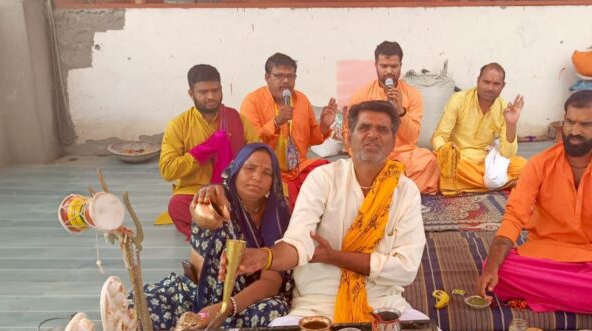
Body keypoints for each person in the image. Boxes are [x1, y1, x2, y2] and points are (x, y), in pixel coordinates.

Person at [211, 100, 453, 331]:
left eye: (382, 129)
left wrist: (335, 257)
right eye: (364, 127)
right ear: (349, 137)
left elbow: (405, 269)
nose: (372, 134)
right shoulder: (323, 179)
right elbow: (299, 242)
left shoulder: (405, 191)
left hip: (382, 305)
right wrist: (264, 257)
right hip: (317, 304)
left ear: (393, 141)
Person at [477, 90, 592, 331]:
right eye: (570, 122)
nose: (574, 131)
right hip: (547, 252)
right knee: (494, 267)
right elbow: (514, 216)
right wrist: (493, 266)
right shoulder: (539, 164)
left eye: (585, 124)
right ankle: (590, 301)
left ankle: (552, 296)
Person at [141, 143, 291, 330]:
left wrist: (226, 308)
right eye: (250, 168)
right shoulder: (217, 201)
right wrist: (210, 198)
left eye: (267, 173)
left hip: (248, 300)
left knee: (275, 310)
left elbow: (271, 281)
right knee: (142, 306)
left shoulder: (278, 214)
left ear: (273, 181)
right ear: (235, 170)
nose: (257, 177)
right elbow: (205, 215)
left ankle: (213, 326)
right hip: (203, 292)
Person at [158, 64, 260, 237]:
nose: (211, 96)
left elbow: (258, 153)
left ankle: (213, 231)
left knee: (269, 198)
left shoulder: (237, 120)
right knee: (177, 206)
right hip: (197, 193)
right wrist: (205, 149)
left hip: (235, 191)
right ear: (191, 94)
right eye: (203, 92)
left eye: (215, 90)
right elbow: (168, 170)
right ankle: (230, 229)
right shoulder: (179, 125)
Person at [241, 53, 339, 210]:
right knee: (284, 204)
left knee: (333, 180)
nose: (286, 81)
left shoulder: (302, 99)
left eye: (290, 76)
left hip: (299, 167)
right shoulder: (252, 102)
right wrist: (276, 122)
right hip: (269, 169)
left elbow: (312, 139)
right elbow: (251, 145)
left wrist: (324, 126)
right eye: (279, 76)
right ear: (267, 77)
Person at [345, 41, 439, 195]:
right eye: (384, 66)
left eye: (394, 66)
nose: (389, 71)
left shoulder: (412, 94)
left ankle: (384, 189)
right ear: (375, 66)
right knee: (365, 166)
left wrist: (400, 111)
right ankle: (397, 189)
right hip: (373, 151)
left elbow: (412, 137)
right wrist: (360, 155)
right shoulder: (361, 95)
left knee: (428, 160)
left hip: (403, 155)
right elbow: (348, 133)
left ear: (401, 66)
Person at [431, 63, 527, 196]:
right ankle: (498, 184)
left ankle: (465, 184)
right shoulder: (458, 100)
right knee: (435, 163)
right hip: (459, 159)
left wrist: (511, 125)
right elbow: (439, 136)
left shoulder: (504, 108)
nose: (490, 88)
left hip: (485, 161)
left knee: (524, 166)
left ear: (503, 86)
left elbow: (507, 154)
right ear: (478, 80)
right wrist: (445, 151)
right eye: (486, 82)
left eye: (496, 84)